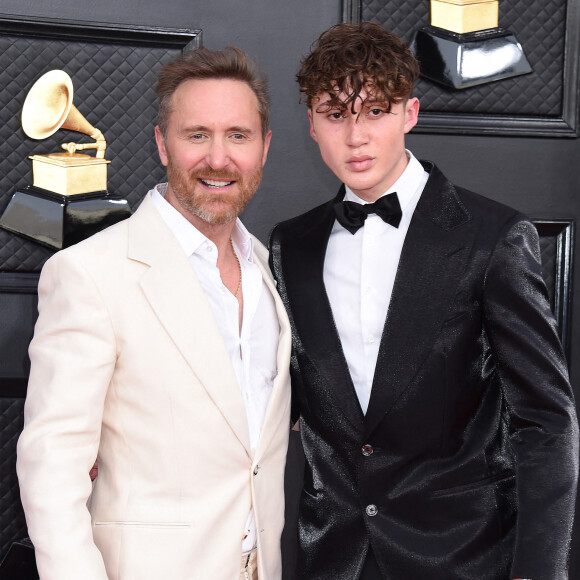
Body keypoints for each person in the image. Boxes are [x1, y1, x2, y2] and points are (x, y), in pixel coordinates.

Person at [269, 21, 578, 580]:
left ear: (410, 114)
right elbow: (275, 398)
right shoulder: (289, 245)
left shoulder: (493, 238)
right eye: (336, 114)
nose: (356, 136)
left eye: (376, 111)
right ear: (312, 124)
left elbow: (547, 421)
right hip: (335, 559)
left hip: (465, 557)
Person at [17, 46, 291, 580]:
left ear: (264, 148)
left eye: (238, 135)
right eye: (197, 135)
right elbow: (52, 468)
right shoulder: (90, 273)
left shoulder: (270, 270)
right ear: (162, 144)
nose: (219, 158)